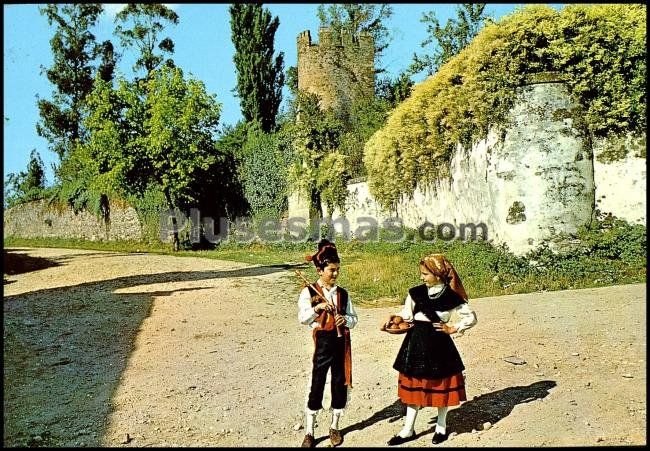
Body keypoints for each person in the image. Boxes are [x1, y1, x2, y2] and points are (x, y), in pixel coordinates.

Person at [380, 253, 477, 445]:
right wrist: (395, 318)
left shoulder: (452, 297)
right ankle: (408, 429)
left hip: (439, 346)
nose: (421, 277)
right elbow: (407, 315)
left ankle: (441, 426)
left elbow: (470, 318)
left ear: (438, 274)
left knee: (441, 386)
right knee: (414, 389)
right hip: (415, 344)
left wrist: (452, 328)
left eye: (425, 274)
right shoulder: (415, 293)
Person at [297, 239, 358, 448]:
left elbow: (354, 318)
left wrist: (345, 320)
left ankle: (334, 426)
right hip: (323, 344)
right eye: (331, 270)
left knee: (339, 383)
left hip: (341, 343)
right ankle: (309, 431)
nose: (335, 274)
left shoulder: (343, 293)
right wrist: (318, 308)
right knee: (316, 384)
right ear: (319, 269)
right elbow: (303, 318)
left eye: (337, 270)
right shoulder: (310, 292)